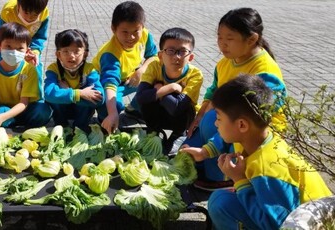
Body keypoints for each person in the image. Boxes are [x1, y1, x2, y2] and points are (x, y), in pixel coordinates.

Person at [184, 75, 332, 229]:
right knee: (222, 199)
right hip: (288, 211)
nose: (215, 123)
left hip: (304, 224)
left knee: (221, 202)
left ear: (241, 125)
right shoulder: (255, 137)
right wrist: (203, 152)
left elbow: (278, 224)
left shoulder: (267, 168)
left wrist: (240, 181)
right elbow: (224, 138)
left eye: (219, 118)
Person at [181, 8, 287, 190]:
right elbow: (213, 90)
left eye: (229, 39)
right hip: (226, 121)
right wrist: (198, 118)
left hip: (252, 130)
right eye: (219, 37)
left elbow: (248, 121)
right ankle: (212, 159)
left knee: (210, 122)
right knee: (188, 150)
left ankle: (224, 177)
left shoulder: (265, 72)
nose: (222, 44)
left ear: (252, 39)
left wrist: (206, 150)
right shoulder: (225, 62)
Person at [92, 1, 158, 134]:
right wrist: (113, 113)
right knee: (114, 105)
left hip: (128, 79)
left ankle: (134, 109)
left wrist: (142, 70)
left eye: (135, 31)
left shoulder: (145, 35)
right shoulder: (110, 54)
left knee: (158, 81)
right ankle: (104, 117)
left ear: (142, 27)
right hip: (103, 85)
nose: (131, 37)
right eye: (125, 32)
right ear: (113, 29)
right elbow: (110, 84)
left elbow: (153, 56)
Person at [135, 27, 203, 154]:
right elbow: (140, 97)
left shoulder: (195, 74)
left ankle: (174, 137)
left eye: (182, 51)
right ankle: (154, 131)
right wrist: (170, 88)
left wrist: (159, 89)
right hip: (160, 112)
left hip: (179, 118)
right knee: (147, 102)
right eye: (170, 51)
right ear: (160, 55)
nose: (176, 57)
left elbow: (178, 107)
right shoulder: (155, 66)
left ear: (191, 57)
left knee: (186, 108)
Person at [0, 22, 52, 136]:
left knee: (43, 111)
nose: (14, 52)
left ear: (27, 51)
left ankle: (22, 128)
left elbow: (24, 103)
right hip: (5, 111)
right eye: (8, 46)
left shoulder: (29, 70)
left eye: (19, 48)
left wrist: (1, 118)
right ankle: (8, 125)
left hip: (25, 110)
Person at [44, 29, 103, 133]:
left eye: (76, 51)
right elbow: (48, 94)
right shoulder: (53, 69)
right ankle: (62, 126)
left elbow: (100, 97)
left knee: (91, 99)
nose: (71, 56)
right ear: (58, 54)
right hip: (62, 110)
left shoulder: (90, 69)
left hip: (81, 111)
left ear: (85, 54)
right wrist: (79, 93)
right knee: (53, 99)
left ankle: (80, 127)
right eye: (66, 51)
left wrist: (66, 91)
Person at [0, 0, 49, 66]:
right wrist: (9, 50)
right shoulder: (7, 12)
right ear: (18, 5)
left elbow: (39, 36)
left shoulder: (44, 13)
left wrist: (35, 51)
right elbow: (2, 37)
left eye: (35, 14)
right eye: (26, 12)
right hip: (9, 47)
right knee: (2, 68)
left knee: (34, 67)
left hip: (31, 46)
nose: (29, 18)